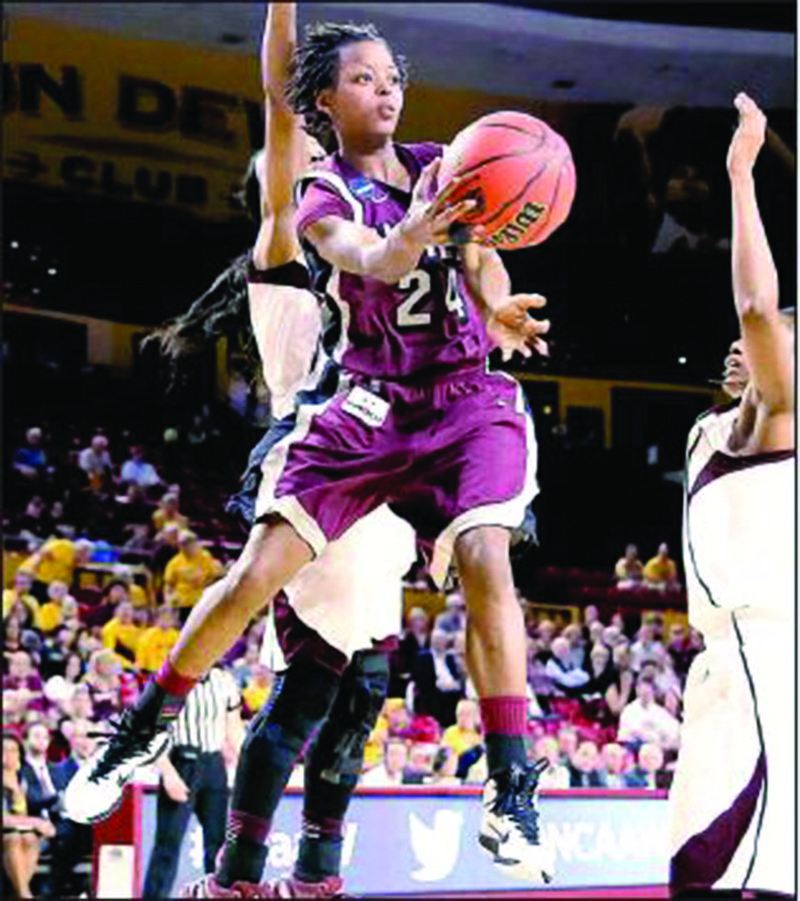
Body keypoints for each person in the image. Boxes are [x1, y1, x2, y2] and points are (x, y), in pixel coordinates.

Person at [66, 5, 553, 891]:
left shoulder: (433, 169)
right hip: (345, 428)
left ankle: (326, 859)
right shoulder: (293, 227)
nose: (388, 92)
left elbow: (476, 254)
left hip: (419, 439)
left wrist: (494, 302)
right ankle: (221, 837)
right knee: (310, 683)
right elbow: (283, 107)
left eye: (392, 78)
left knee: (358, 686)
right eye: (363, 80)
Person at [668, 94, 795, 899]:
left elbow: (754, 305)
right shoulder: (709, 432)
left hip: (769, 663)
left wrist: (741, 177)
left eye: (774, 343)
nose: (747, 343)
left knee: (726, 881)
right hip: (730, 662)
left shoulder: (776, 420)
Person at [142, 667, 243, 901]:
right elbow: (152, 732)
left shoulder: (224, 681)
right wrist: (168, 773)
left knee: (218, 846)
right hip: (182, 762)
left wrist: (245, 767)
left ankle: (218, 896)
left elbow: (234, 729)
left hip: (214, 764)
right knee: (168, 843)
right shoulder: (173, 679)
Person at [3, 731, 56, 900]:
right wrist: (36, 822)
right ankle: (24, 894)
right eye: (4, 750)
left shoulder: (24, 776)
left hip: (26, 832)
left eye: (13, 750)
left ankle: (19, 893)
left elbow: (38, 803)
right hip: (6, 831)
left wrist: (43, 823)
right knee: (12, 838)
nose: (9, 755)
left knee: (29, 839)